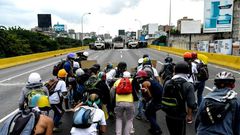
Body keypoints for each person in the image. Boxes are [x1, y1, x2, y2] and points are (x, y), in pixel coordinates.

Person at [163, 61, 197, 135]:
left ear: (175, 71)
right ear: (187, 71)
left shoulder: (167, 82)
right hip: (180, 116)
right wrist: (190, 114)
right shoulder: (188, 85)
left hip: (168, 114)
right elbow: (191, 104)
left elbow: (164, 96)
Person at [136, 70, 163, 135]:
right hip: (161, 99)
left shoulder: (145, 83)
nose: (138, 79)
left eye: (139, 78)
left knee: (147, 113)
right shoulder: (152, 80)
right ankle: (153, 128)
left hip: (157, 100)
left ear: (143, 77)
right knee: (152, 112)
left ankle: (157, 129)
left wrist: (144, 99)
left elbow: (149, 96)